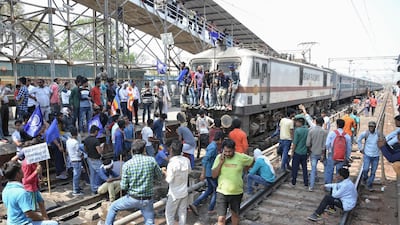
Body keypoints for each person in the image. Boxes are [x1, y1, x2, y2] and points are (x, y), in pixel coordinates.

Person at [102, 140, 162, 225]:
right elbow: (159, 177)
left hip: (133, 198)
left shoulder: (127, 165)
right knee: (149, 221)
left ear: (131, 151)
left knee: (113, 207)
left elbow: (123, 186)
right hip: (147, 199)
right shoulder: (151, 160)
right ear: (144, 150)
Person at [2, 161, 59, 225]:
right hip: (23, 223)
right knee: (54, 223)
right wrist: (42, 219)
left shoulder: (5, 190)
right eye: (21, 169)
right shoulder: (21, 192)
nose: (22, 170)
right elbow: (29, 214)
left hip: (11, 222)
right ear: (18, 174)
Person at [212, 139, 254, 225]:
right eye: (225, 151)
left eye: (229, 152)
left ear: (234, 150)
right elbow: (214, 175)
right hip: (222, 192)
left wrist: (245, 169)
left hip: (236, 192)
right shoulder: (219, 158)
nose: (227, 154)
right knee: (221, 218)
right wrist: (220, 163)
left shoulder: (241, 157)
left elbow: (252, 161)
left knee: (235, 215)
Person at [190, 131, 223, 215]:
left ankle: (195, 203)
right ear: (219, 140)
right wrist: (203, 173)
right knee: (216, 191)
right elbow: (205, 160)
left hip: (209, 172)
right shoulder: (213, 147)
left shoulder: (212, 145)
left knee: (209, 190)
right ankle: (210, 209)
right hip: (210, 172)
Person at [164, 140, 191, 225]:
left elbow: (169, 179)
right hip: (184, 191)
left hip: (174, 194)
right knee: (182, 213)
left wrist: (164, 172)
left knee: (169, 214)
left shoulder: (172, 164)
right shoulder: (186, 160)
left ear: (171, 150)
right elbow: (189, 172)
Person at [324, 119, 352, 186]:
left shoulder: (332, 133)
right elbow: (349, 148)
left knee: (329, 171)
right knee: (339, 173)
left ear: (337, 125)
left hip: (332, 155)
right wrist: (347, 157)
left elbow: (327, 144)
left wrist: (330, 151)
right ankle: (338, 187)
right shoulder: (347, 136)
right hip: (342, 156)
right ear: (343, 126)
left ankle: (328, 187)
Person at [357, 121, 382, 191]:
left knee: (373, 172)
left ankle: (369, 184)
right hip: (367, 154)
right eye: (370, 126)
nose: (371, 128)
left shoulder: (378, 134)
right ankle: (365, 178)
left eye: (372, 127)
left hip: (376, 155)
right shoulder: (366, 133)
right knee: (365, 169)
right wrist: (361, 148)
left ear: (375, 127)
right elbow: (358, 140)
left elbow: (384, 140)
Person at [306, 117, 328, 191]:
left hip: (313, 153)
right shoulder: (325, 132)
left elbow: (308, 143)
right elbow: (325, 145)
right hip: (322, 153)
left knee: (313, 170)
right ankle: (326, 184)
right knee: (326, 168)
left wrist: (310, 150)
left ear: (315, 122)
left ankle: (311, 186)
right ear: (322, 123)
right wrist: (323, 154)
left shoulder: (311, 131)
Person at [84, 125, 104, 194]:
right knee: (101, 173)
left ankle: (93, 188)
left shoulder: (86, 139)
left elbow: (85, 149)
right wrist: (102, 148)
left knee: (92, 174)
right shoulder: (96, 141)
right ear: (95, 131)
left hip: (89, 158)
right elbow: (99, 151)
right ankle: (99, 187)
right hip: (96, 159)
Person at [290, 118, 309, 187]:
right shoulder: (307, 130)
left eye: (297, 122)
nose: (295, 123)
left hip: (297, 152)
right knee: (304, 168)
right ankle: (306, 182)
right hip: (304, 152)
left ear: (300, 123)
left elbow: (295, 142)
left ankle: (293, 182)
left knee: (295, 168)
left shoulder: (297, 131)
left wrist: (292, 152)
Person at [66, 127, 83, 196]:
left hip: (72, 159)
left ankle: (77, 187)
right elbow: (78, 152)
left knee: (76, 174)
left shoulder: (68, 141)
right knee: (76, 175)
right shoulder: (75, 142)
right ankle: (75, 190)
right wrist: (81, 155)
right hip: (77, 159)